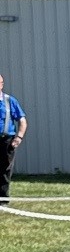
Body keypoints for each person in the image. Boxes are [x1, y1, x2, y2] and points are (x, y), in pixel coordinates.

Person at [0, 72, 26, 202]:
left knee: (5, 168)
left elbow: (22, 120)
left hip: (6, 140)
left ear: (2, 85)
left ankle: (3, 199)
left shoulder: (10, 101)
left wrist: (19, 137)